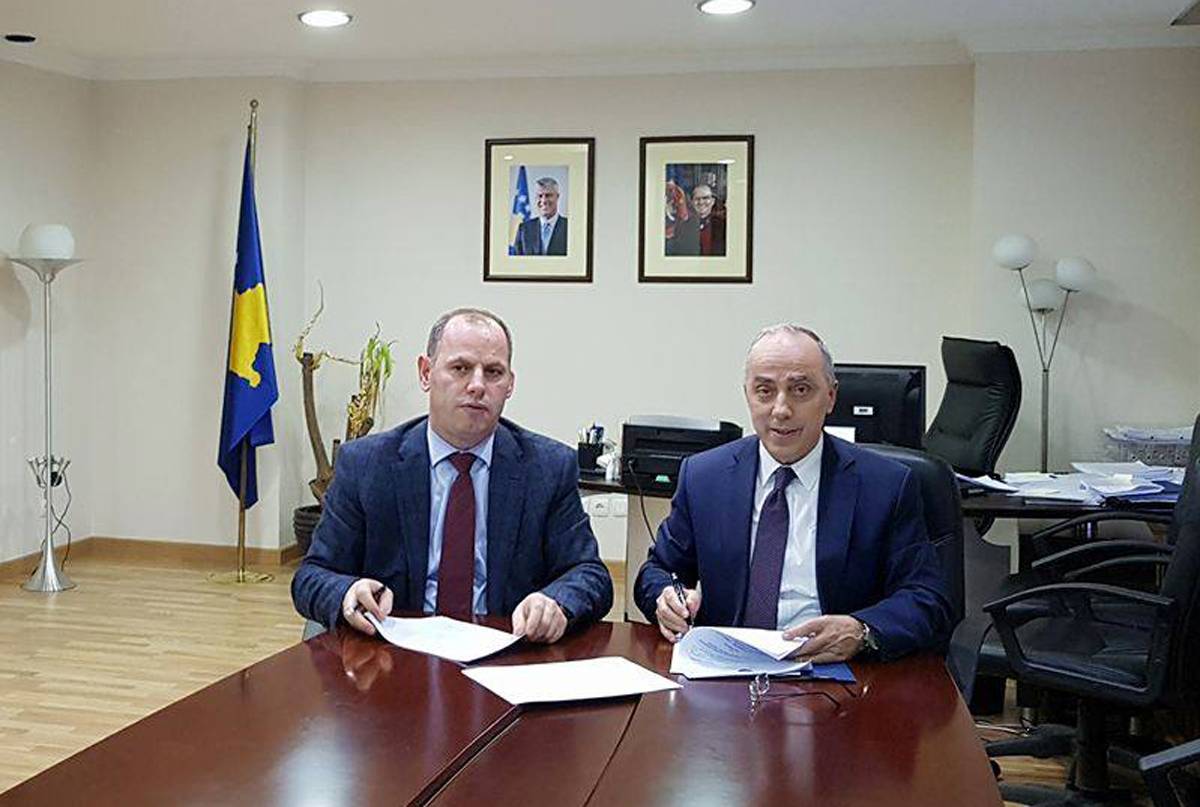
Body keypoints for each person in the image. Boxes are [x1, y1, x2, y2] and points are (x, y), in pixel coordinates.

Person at [634, 324, 951, 662]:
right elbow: (658, 570)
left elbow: (927, 597)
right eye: (764, 391)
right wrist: (666, 597)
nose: (781, 410)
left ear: (830, 397)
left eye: (800, 390)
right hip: (726, 670)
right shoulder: (704, 477)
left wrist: (861, 630)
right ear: (747, 395)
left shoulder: (885, 485)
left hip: (836, 670)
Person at [292, 307, 612, 643]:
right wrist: (348, 591)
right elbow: (312, 575)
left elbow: (590, 574)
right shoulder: (365, 465)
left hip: (508, 651)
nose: (477, 386)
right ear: (426, 373)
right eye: (460, 368)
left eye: (493, 372)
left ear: (510, 385)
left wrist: (556, 603)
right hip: (393, 654)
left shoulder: (548, 468)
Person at [513, 177, 568, 256]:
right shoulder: (524, 229)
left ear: (557, 197)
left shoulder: (569, 227)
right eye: (540, 196)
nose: (544, 200)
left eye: (548, 195)